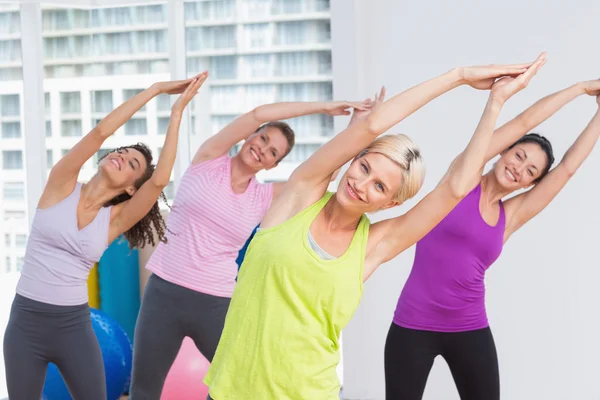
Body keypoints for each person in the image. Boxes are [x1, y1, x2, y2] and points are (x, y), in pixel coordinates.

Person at [203, 53, 547, 400]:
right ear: (353, 159)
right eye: (364, 167)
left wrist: (495, 103)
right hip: (230, 390)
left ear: (391, 204)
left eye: (380, 187)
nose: (362, 184)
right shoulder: (301, 194)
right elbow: (371, 127)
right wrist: (457, 76)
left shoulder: (374, 245)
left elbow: (456, 188)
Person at [129, 97, 368, 398]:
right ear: (250, 135)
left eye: (272, 152)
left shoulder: (265, 197)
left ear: (274, 164)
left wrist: (356, 124)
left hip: (217, 304)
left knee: (241, 385)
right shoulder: (209, 157)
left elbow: (325, 173)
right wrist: (323, 107)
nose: (262, 149)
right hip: (164, 293)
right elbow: (258, 113)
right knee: (143, 391)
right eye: (263, 138)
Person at [384, 77, 600, 400]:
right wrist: (581, 89)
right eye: (519, 156)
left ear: (530, 185)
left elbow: (567, 168)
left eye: (531, 172)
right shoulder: (463, 176)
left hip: (470, 326)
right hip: (413, 323)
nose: (520, 169)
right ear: (504, 150)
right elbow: (524, 121)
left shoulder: (509, 216)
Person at [2, 72, 206, 400]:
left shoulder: (116, 220)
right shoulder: (61, 184)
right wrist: (154, 90)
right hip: (25, 323)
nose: (122, 155)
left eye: (132, 163)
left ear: (130, 188)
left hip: (73, 328)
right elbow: (100, 132)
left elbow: (158, 182)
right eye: (123, 151)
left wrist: (177, 113)